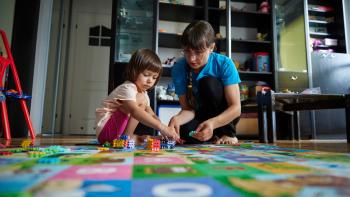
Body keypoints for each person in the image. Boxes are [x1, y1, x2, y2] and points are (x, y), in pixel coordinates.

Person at [169, 20, 241, 145]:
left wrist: (213, 123)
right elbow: (188, 109)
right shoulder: (179, 69)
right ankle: (212, 136)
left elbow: (236, 108)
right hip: (201, 115)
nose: (191, 59)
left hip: (225, 116)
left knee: (207, 83)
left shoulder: (225, 64)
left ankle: (228, 133)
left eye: (198, 52)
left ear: (211, 48)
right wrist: (177, 119)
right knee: (185, 132)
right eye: (187, 51)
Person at [95, 49, 179, 144]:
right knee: (140, 101)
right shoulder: (127, 88)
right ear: (134, 71)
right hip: (106, 132)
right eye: (146, 75)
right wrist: (162, 127)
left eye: (154, 77)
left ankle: (132, 137)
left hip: (114, 135)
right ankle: (127, 136)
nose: (150, 81)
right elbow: (134, 111)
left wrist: (165, 130)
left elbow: (152, 115)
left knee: (142, 140)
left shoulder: (144, 93)